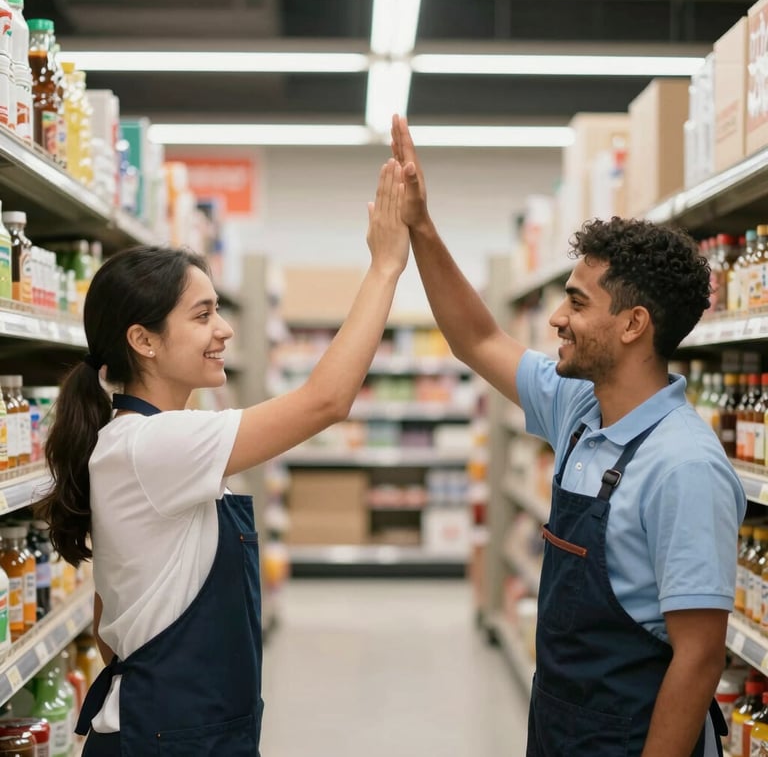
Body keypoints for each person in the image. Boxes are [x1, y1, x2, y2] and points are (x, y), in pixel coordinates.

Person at [390, 114, 746, 757]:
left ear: (634, 324)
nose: (556, 317)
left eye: (577, 303)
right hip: (559, 729)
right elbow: (476, 338)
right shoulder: (578, 407)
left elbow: (698, 660)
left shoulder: (684, 465)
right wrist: (419, 226)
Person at [36, 159, 409, 756]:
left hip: (182, 728)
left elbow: (114, 612)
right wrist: (387, 266)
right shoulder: (157, 444)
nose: (225, 330)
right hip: (170, 740)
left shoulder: (146, 438)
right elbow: (326, 401)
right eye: (203, 314)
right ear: (144, 340)